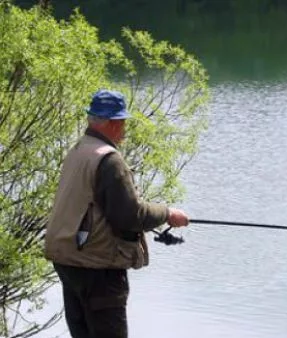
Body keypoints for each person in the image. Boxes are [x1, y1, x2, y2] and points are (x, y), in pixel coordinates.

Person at [44, 89, 189, 338]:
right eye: (122, 122)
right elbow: (129, 215)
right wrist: (167, 213)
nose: (124, 128)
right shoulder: (109, 160)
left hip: (68, 260)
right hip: (97, 265)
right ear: (111, 123)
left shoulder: (79, 150)